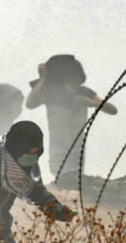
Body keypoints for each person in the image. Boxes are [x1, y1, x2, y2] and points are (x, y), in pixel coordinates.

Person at [24, 54, 117, 188]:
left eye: (78, 75)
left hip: (77, 147)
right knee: (63, 177)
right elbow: (30, 103)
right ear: (64, 76)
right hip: (58, 147)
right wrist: (43, 79)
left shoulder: (86, 92)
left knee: (74, 181)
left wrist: (93, 103)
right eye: (72, 75)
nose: (76, 79)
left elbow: (112, 110)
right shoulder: (52, 93)